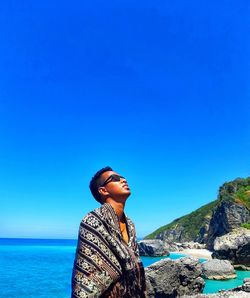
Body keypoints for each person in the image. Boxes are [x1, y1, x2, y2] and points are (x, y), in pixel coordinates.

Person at [71, 166, 147, 298]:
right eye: (115, 179)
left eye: (122, 177)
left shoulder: (130, 224)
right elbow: (86, 279)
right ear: (103, 190)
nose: (123, 180)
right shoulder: (92, 221)